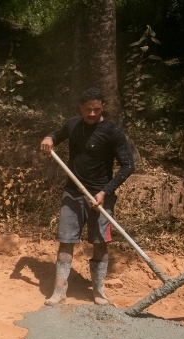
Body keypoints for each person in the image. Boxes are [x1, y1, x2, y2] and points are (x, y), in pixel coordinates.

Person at [40, 88, 135, 306]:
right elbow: (57, 135)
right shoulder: (73, 125)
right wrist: (49, 137)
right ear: (81, 109)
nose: (91, 114)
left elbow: (128, 165)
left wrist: (104, 192)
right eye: (87, 110)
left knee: (100, 243)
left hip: (101, 196)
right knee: (66, 240)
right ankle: (59, 291)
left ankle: (99, 292)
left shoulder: (112, 132)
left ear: (103, 107)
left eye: (96, 109)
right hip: (72, 194)